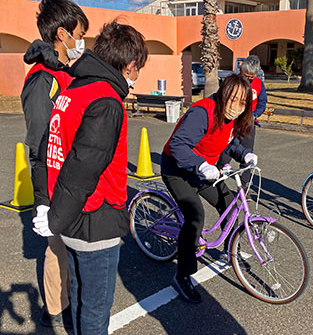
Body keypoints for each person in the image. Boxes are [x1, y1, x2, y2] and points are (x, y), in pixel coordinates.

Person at [32, 21, 148, 335]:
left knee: (81, 297)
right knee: (95, 309)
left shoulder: (73, 89)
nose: (137, 78)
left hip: (68, 218)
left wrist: (46, 205)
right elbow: (83, 169)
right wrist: (54, 216)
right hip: (94, 221)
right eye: (138, 70)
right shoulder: (107, 101)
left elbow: (46, 149)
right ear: (130, 65)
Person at [20, 0, 88, 329]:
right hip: (53, 182)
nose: (82, 41)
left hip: (75, 177)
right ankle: (55, 307)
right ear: (63, 35)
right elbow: (37, 145)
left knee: (72, 249)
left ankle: (68, 301)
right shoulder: (42, 80)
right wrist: (44, 201)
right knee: (57, 249)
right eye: (80, 33)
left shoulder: (67, 72)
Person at [161, 74, 258, 304]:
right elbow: (177, 145)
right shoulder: (202, 113)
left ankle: (229, 250)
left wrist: (244, 154)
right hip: (178, 169)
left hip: (203, 170)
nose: (236, 107)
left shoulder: (231, 119)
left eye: (242, 102)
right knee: (195, 216)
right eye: (232, 99)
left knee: (228, 200)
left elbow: (229, 142)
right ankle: (182, 276)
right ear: (223, 94)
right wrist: (201, 165)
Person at [217, 55, 267, 187]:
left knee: (247, 157)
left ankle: (244, 188)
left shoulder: (259, 84)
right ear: (241, 71)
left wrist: (254, 115)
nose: (249, 79)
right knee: (225, 154)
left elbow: (262, 103)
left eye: (252, 77)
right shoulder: (232, 81)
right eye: (246, 76)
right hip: (231, 122)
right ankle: (218, 181)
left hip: (248, 125)